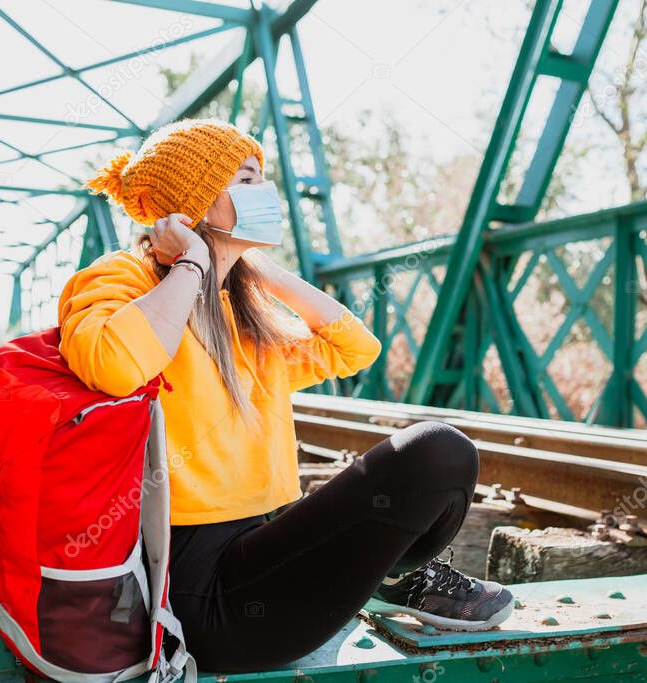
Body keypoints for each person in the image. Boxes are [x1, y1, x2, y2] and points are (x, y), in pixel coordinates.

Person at [58, 119, 515, 673]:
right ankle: (387, 574)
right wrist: (193, 262)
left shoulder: (241, 313)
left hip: (262, 551)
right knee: (435, 449)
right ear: (194, 201)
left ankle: (393, 575)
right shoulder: (123, 278)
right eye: (246, 178)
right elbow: (112, 364)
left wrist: (255, 267)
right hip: (196, 596)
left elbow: (354, 349)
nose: (265, 192)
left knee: (446, 456)